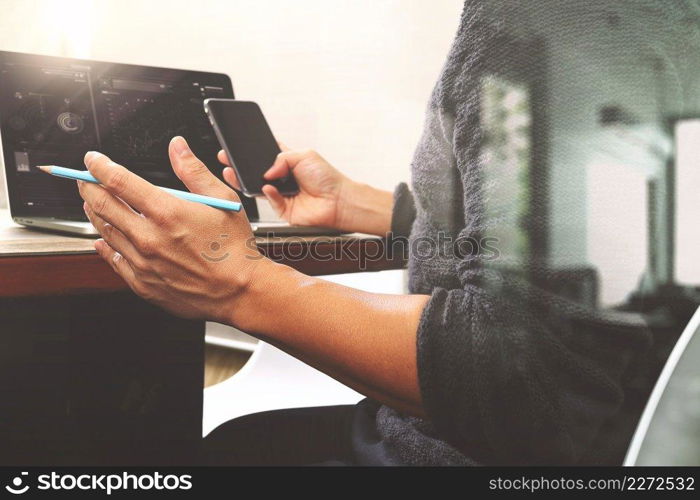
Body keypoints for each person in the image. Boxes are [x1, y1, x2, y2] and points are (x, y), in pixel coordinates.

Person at [77, 0, 698, 465]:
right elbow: (590, 247)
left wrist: (237, 285)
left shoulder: (564, 17)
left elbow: (525, 378)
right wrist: (371, 207)